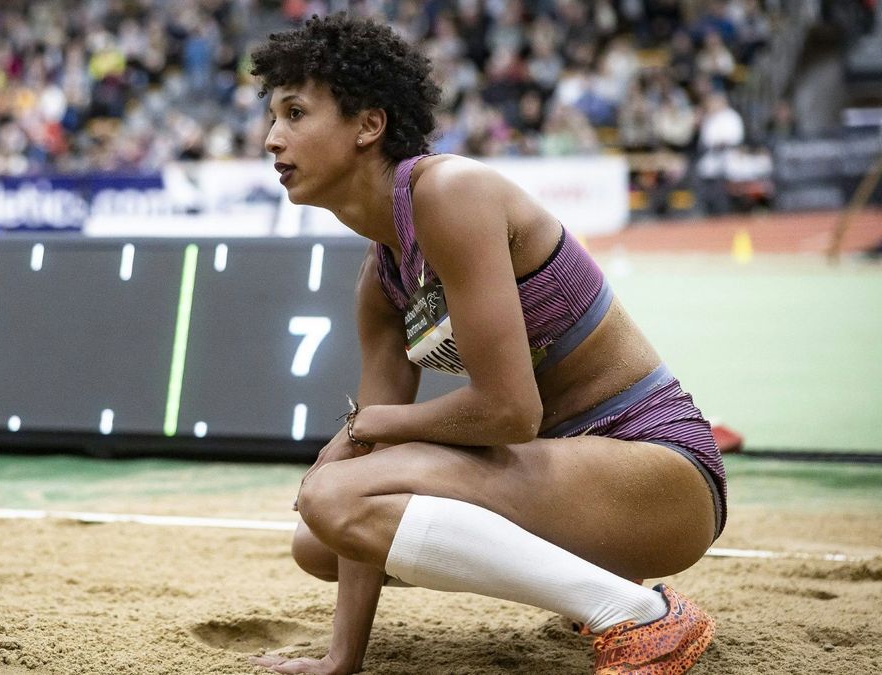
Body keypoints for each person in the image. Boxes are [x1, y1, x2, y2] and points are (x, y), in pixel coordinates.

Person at [247, 14, 725, 675]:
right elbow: (368, 454)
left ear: (368, 125)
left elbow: (509, 414)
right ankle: (599, 592)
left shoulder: (449, 192)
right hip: (566, 478)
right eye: (271, 116)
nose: (271, 139)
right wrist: (341, 659)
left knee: (335, 495)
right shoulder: (380, 279)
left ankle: (642, 615)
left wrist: (376, 424)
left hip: (662, 475)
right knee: (321, 535)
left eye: (295, 113)